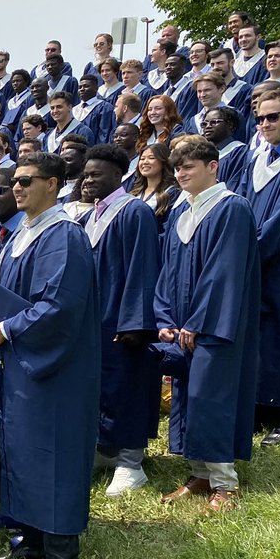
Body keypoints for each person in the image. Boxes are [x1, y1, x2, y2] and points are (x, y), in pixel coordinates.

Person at [0, 152, 100, 559]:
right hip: (17, 365)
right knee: (21, 450)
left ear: (53, 184)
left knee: (53, 457)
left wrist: (5, 330)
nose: (18, 188)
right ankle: (30, 540)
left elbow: (60, 307)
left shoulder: (62, 236)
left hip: (54, 371)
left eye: (27, 181)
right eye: (16, 182)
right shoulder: (21, 236)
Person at [156, 137, 260, 511]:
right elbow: (168, 270)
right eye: (178, 168)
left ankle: (226, 484)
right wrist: (165, 317)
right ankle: (200, 473)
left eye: (189, 167)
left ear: (212, 167)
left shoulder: (231, 208)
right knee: (187, 398)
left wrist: (198, 321)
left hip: (216, 325)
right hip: (184, 325)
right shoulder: (182, 211)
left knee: (210, 398)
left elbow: (223, 272)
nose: (181, 174)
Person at [79, 145, 162, 496]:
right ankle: (105, 449)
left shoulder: (134, 212)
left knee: (126, 386)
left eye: (96, 174)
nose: (88, 179)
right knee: (100, 388)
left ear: (118, 175)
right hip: (94, 320)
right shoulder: (89, 217)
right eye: (86, 173)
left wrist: (136, 322)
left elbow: (143, 268)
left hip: (122, 320)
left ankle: (131, 462)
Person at [239, 88, 280, 445]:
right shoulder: (258, 160)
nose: (264, 123)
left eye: (273, 116)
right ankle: (261, 406)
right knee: (259, 332)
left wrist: (250, 253)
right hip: (257, 259)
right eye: (261, 117)